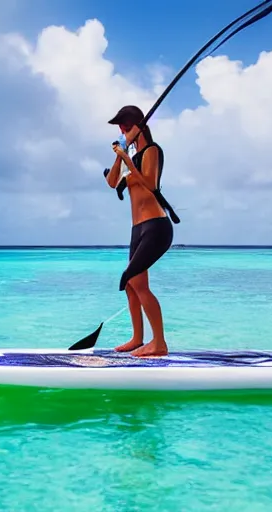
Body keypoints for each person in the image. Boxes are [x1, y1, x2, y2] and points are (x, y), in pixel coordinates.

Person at [104, 105, 178, 357]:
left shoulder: (152, 151)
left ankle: (159, 343)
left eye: (126, 127)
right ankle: (138, 338)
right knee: (131, 285)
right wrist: (120, 156)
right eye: (120, 129)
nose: (123, 132)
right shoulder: (131, 157)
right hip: (137, 229)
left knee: (134, 279)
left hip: (156, 226)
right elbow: (113, 182)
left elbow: (149, 183)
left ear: (139, 127)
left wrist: (127, 160)